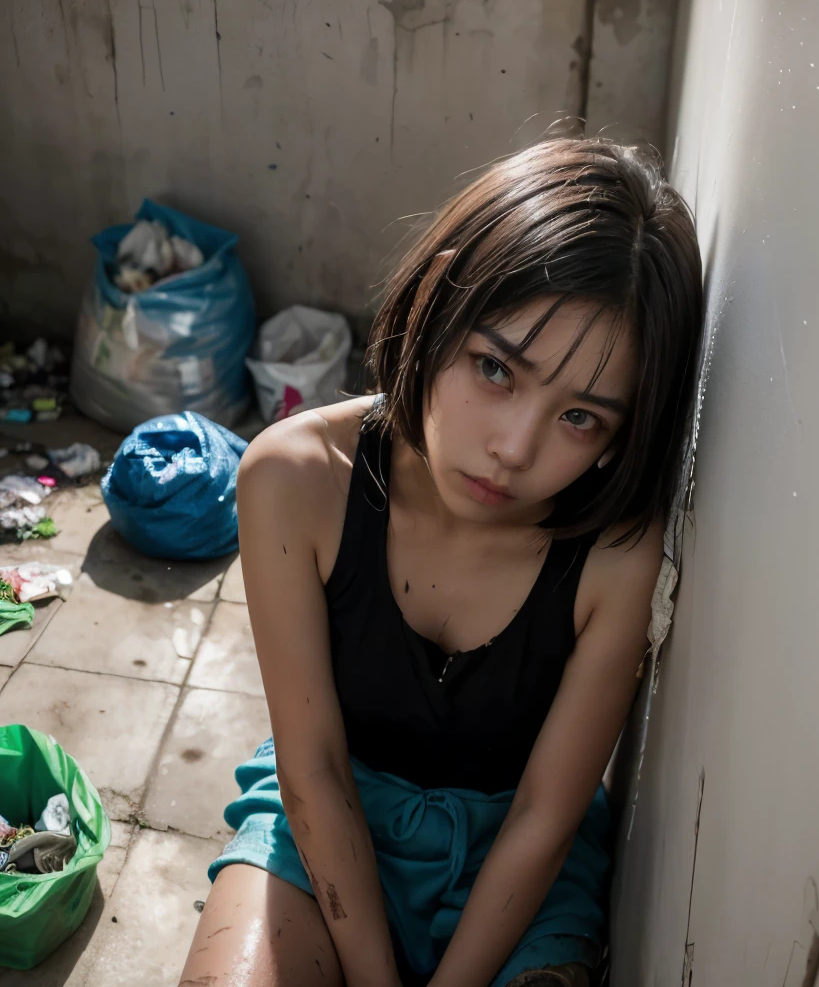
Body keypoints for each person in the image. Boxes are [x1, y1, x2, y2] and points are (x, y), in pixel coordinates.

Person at [180, 137, 702, 987]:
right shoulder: (295, 479)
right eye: (495, 368)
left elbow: (543, 815)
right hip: (323, 835)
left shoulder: (617, 555)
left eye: (582, 419)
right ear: (437, 299)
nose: (513, 448)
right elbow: (309, 767)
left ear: (625, 433)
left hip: (519, 876)